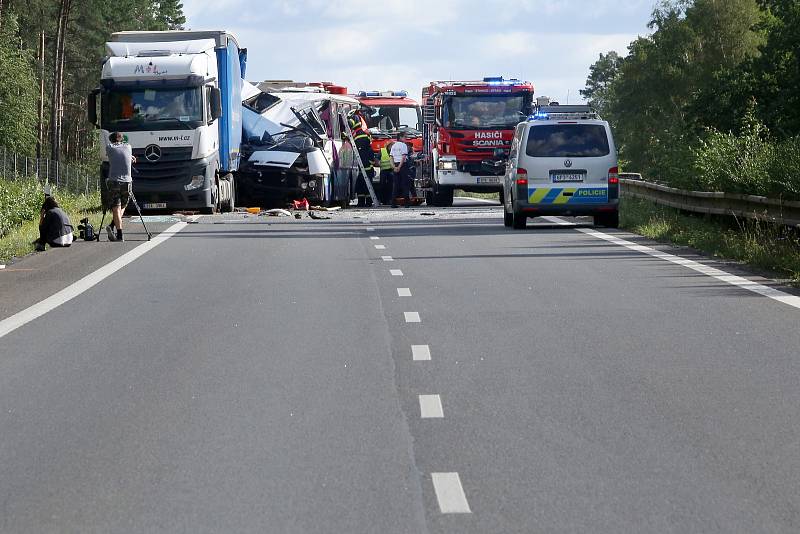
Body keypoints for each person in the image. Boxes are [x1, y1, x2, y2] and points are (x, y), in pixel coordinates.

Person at [105, 132, 136, 241]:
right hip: (127, 182)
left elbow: (113, 156)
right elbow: (124, 154)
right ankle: (113, 226)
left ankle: (119, 234)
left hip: (114, 181)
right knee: (122, 206)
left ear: (111, 140)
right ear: (122, 140)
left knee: (116, 207)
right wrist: (131, 157)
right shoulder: (128, 147)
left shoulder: (109, 147)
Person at [390, 132, 411, 208]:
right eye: (405, 137)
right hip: (402, 166)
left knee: (395, 185)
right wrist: (399, 167)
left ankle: (393, 203)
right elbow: (403, 157)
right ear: (400, 137)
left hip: (395, 165)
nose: (406, 138)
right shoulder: (403, 145)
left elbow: (391, 157)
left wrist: (394, 167)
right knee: (405, 184)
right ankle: (406, 203)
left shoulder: (393, 146)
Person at [378, 140, 395, 204]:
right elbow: (377, 158)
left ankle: (389, 200)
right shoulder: (382, 150)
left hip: (391, 170)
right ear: (388, 146)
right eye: (392, 146)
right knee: (382, 185)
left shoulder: (394, 151)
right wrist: (378, 163)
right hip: (384, 170)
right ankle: (381, 199)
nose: (393, 147)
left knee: (390, 186)